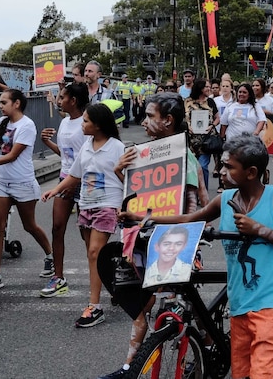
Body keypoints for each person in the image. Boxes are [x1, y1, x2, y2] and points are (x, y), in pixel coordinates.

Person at [133, 135, 273, 379]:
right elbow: (189, 219)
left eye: (228, 167)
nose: (220, 171)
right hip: (239, 303)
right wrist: (142, 218)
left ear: (251, 172)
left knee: (264, 372)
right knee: (242, 372)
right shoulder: (225, 200)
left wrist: (259, 230)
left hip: (271, 301)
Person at [97, 91, 209, 378]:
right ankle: (130, 367)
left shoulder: (185, 158)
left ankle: (203, 351)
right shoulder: (143, 154)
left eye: (150, 116)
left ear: (168, 121)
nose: (143, 121)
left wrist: (187, 239)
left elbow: (195, 205)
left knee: (180, 309)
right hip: (144, 240)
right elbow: (140, 196)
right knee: (140, 307)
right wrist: (120, 171)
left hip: (175, 241)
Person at [42, 103, 125, 328]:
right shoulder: (87, 146)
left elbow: (128, 178)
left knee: (94, 252)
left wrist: (124, 205)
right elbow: (74, 174)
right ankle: (115, 283)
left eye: (86, 122)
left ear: (98, 125)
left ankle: (95, 307)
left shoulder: (117, 147)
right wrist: (55, 190)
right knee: (94, 257)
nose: (82, 126)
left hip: (108, 205)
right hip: (86, 205)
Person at [0, 89, 53, 289]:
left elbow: (12, 155)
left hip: (23, 183)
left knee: (29, 226)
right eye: (0, 102)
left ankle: (49, 255)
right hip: (2, 183)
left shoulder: (27, 125)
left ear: (17, 104)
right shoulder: (2, 123)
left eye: (4, 102)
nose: (0, 105)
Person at [39, 82, 89, 298]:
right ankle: (58, 278)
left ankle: (99, 278)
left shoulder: (87, 123)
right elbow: (66, 155)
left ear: (73, 100)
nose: (59, 101)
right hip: (64, 178)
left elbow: (88, 158)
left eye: (62, 97)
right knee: (57, 227)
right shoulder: (65, 122)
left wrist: (74, 183)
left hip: (84, 182)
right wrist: (47, 143)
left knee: (87, 234)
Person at [185, 79, 220, 187]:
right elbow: (183, 118)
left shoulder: (210, 102)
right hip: (191, 140)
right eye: (206, 87)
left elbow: (217, 117)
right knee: (191, 167)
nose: (209, 89)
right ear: (200, 88)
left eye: (209, 87)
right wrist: (188, 126)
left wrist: (212, 126)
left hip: (206, 140)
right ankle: (193, 191)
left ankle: (203, 191)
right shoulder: (187, 102)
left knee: (203, 166)